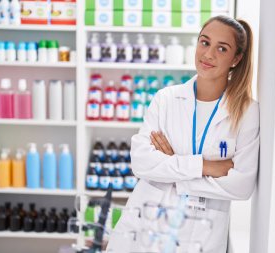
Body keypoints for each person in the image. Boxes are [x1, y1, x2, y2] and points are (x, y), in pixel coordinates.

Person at [107, 15, 260, 253]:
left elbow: (240, 186)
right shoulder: (166, 99)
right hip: (145, 228)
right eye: (205, 42)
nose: (208, 54)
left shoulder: (247, 111)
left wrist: (171, 166)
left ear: (236, 58)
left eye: (222, 48)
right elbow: (141, 162)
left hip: (201, 235)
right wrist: (206, 166)